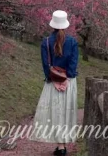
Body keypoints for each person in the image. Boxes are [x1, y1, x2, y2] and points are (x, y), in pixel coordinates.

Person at [29, 10, 79, 155]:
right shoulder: (73, 42)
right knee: (65, 112)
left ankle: (61, 147)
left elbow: (46, 64)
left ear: (53, 24)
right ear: (65, 25)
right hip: (69, 83)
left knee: (56, 113)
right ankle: (62, 146)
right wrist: (67, 80)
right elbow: (73, 63)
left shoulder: (46, 42)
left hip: (53, 83)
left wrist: (54, 81)